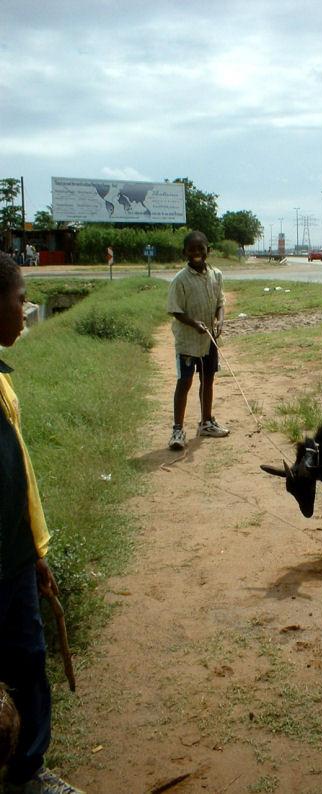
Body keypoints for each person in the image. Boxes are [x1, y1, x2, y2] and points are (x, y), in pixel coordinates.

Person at [0, 253, 84, 793]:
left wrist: (35, 554)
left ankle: (30, 771)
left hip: (16, 560)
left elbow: (16, 477)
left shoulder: (1, 380)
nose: (25, 308)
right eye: (18, 298)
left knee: (30, 663)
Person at [166, 230, 229, 449]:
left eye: (200, 248)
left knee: (208, 380)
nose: (196, 253)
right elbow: (175, 310)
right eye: (191, 249)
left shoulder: (217, 275)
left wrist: (219, 321)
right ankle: (177, 430)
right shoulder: (180, 280)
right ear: (184, 252)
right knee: (184, 382)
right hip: (187, 342)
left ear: (208, 251)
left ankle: (206, 422)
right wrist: (194, 323)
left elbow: (220, 303)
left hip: (208, 340)